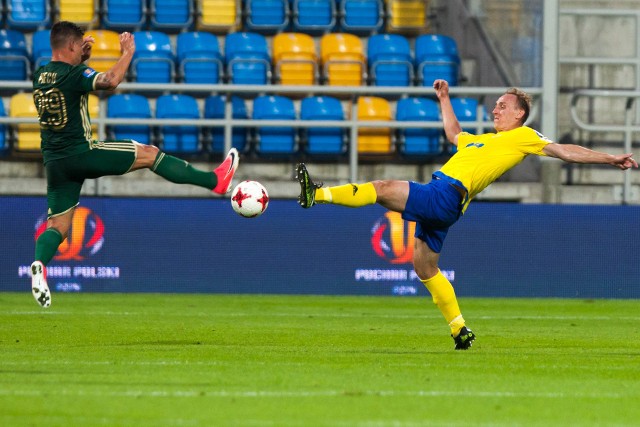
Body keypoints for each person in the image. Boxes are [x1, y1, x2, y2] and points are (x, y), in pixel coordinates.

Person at [295, 79, 638, 350]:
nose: (496, 109)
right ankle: (459, 329)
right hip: (447, 204)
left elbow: (565, 151)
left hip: (444, 194)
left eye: (503, 105)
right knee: (424, 267)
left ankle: (317, 194)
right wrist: (445, 99)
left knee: (383, 188)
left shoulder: (524, 136)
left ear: (520, 114)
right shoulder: (479, 141)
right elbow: (454, 133)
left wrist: (610, 159)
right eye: (496, 105)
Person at [29, 21, 239, 308]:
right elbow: (111, 80)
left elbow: (69, 81)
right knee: (150, 153)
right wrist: (127, 52)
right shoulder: (74, 73)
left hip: (54, 162)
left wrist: (83, 59)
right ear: (69, 47)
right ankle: (217, 182)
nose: (83, 49)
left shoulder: (41, 74)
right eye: (80, 46)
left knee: (58, 225)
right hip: (82, 153)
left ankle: (39, 265)